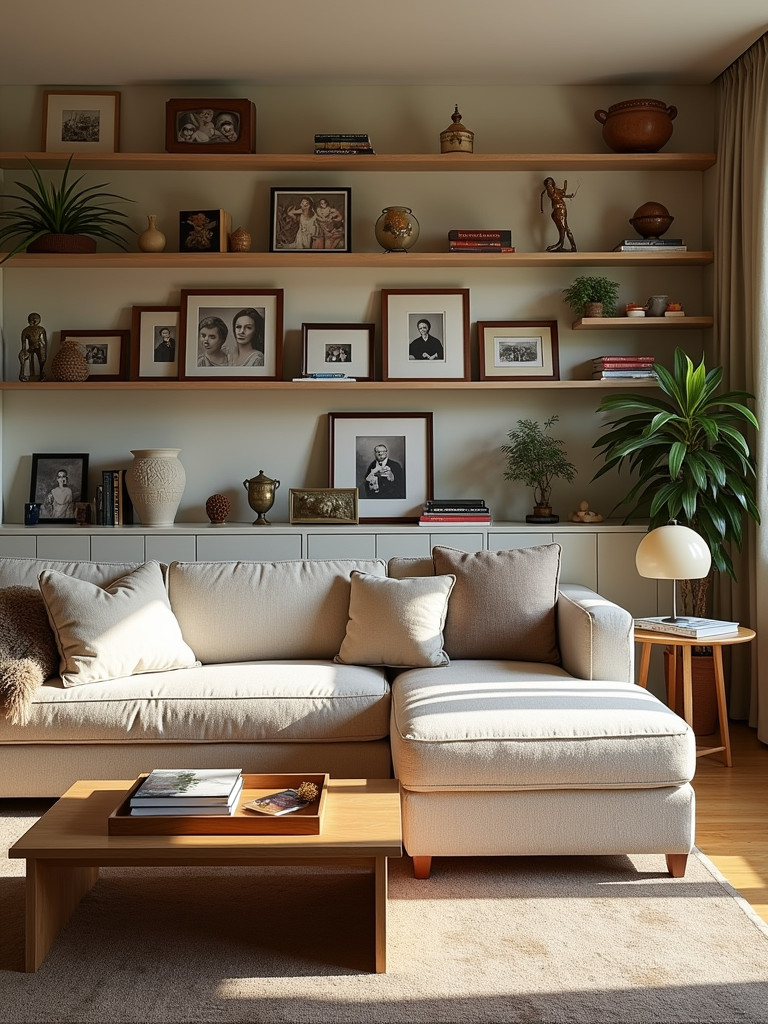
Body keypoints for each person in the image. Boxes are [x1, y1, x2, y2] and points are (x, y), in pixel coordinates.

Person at [540, 176, 577, 252]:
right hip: (556, 211)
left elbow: (562, 194)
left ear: (553, 183)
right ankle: (562, 245)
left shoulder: (555, 190)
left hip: (561, 209)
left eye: (550, 184)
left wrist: (565, 188)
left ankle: (569, 246)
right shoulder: (550, 192)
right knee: (563, 228)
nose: (549, 186)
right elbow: (555, 195)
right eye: (547, 185)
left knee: (565, 228)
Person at [18, 312, 48, 381]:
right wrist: (24, 351)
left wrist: (40, 345)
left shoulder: (41, 329)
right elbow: (24, 345)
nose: (34, 321)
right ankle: (23, 374)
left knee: (42, 356)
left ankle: (41, 373)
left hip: (39, 347)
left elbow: (44, 342)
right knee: (22, 356)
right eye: (32, 319)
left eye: (35, 319)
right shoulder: (26, 331)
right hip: (30, 348)